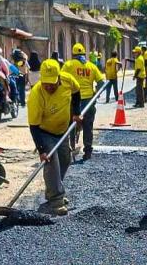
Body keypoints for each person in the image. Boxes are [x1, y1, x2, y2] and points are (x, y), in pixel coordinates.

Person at [27, 59, 82, 216]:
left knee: (65, 159)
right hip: (45, 132)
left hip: (63, 130)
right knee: (52, 162)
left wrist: (76, 113)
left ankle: (55, 190)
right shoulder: (36, 95)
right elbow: (34, 127)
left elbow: (76, 92)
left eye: (52, 83)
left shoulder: (67, 80)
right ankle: (55, 200)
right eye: (46, 83)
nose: (49, 87)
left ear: (58, 77)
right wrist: (41, 150)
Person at [63, 43, 105, 161]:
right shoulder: (92, 66)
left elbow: (61, 79)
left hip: (73, 101)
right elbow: (101, 83)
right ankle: (87, 152)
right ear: (84, 53)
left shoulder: (68, 65)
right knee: (88, 126)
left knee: (70, 125)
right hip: (89, 101)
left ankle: (70, 149)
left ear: (73, 54)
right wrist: (95, 95)